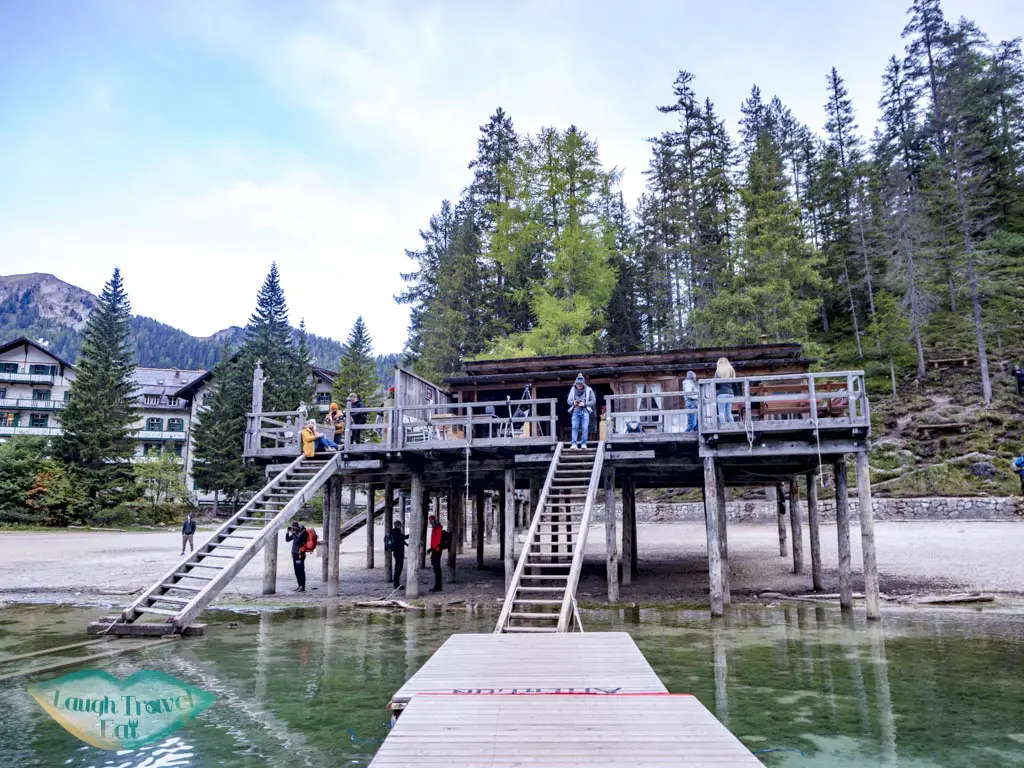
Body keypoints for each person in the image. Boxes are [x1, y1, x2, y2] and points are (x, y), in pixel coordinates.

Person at [567, 374, 596, 449]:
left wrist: (585, 404)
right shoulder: (572, 390)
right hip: (576, 410)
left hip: (585, 410)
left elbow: (593, 401)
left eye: (580, 384)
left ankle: (583, 443)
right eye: (578, 384)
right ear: (575, 383)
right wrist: (573, 403)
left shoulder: (589, 389)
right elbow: (568, 401)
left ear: (583, 384)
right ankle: (574, 444)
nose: (579, 386)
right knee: (574, 427)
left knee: (585, 428)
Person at [285, 521, 309, 592]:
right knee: (296, 571)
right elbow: (287, 540)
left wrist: (293, 532)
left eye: (294, 527)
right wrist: (287, 532)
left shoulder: (302, 533)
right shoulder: (295, 533)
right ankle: (299, 585)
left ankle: (302, 586)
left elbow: (298, 541)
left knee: (300, 571)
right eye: (292, 527)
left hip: (300, 555)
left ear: (298, 527)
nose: (293, 528)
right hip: (294, 555)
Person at [714, 357, 736, 425]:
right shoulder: (731, 370)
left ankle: (723, 426)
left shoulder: (718, 372)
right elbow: (735, 384)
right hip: (730, 393)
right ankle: (733, 426)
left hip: (721, 393)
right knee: (729, 412)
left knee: (721, 412)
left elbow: (716, 385)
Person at [389, 520, 409, 589]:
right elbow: (404, 537)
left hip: (396, 553)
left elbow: (401, 539)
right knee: (398, 569)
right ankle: (396, 584)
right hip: (399, 553)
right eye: (400, 525)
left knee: (398, 568)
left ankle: (396, 583)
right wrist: (412, 534)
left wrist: (406, 544)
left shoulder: (393, 532)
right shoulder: (397, 533)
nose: (401, 527)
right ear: (398, 526)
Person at [428, 514, 443, 592]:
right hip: (435, 549)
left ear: (433, 520)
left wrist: (435, 548)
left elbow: (438, 539)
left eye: (430, 520)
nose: (429, 522)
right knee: (436, 568)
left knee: (437, 568)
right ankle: (437, 586)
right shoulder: (435, 527)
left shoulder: (437, 527)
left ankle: (438, 586)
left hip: (437, 550)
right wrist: (431, 549)